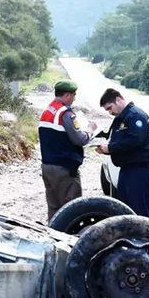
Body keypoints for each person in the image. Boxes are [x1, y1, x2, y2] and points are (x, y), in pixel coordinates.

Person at [38, 80, 97, 219]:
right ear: (67, 95)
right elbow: (80, 139)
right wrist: (90, 130)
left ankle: (53, 235)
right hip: (64, 169)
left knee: (54, 208)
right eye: (74, 95)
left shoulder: (48, 110)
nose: (74, 98)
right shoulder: (66, 113)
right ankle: (69, 238)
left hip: (48, 166)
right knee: (72, 210)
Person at [96, 88, 149, 216]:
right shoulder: (121, 118)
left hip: (138, 170)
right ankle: (129, 236)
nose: (110, 112)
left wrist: (110, 148)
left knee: (138, 212)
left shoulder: (136, 115)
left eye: (110, 108)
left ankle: (141, 236)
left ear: (118, 99)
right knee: (124, 210)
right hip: (126, 170)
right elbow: (115, 138)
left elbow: (135, 139)